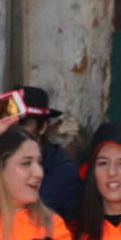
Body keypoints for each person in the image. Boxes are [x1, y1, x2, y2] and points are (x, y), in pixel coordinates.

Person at [16, 86, 83, 220]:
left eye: (23, 123)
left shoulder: (65, 175)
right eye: (10, 122)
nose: (15, 130)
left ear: (42, 127)